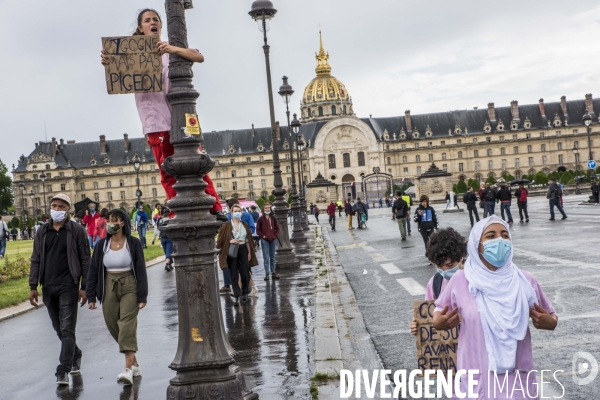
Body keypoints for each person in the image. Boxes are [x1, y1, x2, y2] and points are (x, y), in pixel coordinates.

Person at [100, 8, 226, 222]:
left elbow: (199, 56)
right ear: (141, 28)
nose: (152, 22)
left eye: (155, 19)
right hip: (156, 122)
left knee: (198, 165)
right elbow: (117, 77)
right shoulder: (130, 55)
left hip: (181, 118)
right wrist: (109, 61)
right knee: (167, 169)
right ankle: (177, 208)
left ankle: (215, 206)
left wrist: (170, 48)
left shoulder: (169, 49)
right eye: (147, 20)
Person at [433, 216, 557, 398]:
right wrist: (439, 322)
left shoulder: (525, 280)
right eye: (491, 236)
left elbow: (551, 317)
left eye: (505, 235)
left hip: (517, 380)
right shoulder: (461, 280)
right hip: (476, 376)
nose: (500, 240)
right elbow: (438, 312)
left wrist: (549, 322)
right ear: (477, 245)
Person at [28, 194, 90, 385]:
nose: (56, 209)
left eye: (61, 206)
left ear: (68, 210)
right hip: (48, 286)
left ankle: (62, 370)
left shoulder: (77, 231)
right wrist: (33, 286)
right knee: (59, 329)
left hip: (68, 285)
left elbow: (85, 260)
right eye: (54, 205)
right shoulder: (42, 231)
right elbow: (36, 258)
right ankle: (76, 353)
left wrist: (84, 286)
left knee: (67, 328)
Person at [86, 209, 148, 385]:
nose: (111, 224)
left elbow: (141, 270)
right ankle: (134, 363)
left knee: (127, 324)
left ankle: (127, 369)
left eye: (115, 220)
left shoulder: (133, 243)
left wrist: (142, 295)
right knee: (113, 324)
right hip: (109, 285)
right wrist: (91, 296)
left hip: (130, 284)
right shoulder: (101, 245)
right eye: (109, 220)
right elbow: (93, 271)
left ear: (123, 223)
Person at [409, 228, 467, 335]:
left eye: (450, 265)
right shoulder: (435, 282)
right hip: (449, 349)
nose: (445, 270)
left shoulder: (475, 280)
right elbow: (428, 313)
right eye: (439, 266)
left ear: (461, 258)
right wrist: (418, 325)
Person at [216, 204, 258, 306]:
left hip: (243, 249)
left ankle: (244, 293)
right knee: (234, 274)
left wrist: (249, 252)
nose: (237, 213)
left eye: (239, 211)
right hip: (232, 250)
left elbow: (248, 240)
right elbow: (220, 241)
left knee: (245, 273)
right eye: (235, 211)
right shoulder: (226, 226)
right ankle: (237, 296)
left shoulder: (245, 224)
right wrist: (229, 241)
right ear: (231, 213)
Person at [256, 202, 280, 281]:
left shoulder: (273, 218)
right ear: (263, 209)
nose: (267, 209)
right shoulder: (260, 219)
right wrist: (262, 236)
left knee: (272, 257)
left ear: (270, 209)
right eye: (266, 208)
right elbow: (258, 230)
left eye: (268, 208)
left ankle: (273, 272)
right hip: (264, 240)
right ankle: (267, 273)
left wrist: (275, 236)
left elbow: (277, 229)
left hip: (273, 240)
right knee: (266, 257)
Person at [413, 195, 438, 260]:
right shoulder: (418, 209)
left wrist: (436, 227)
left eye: (425, 201)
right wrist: (418, 215)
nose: (423, 203)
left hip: (430, 227)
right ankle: (429, 257)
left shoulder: (431, 209)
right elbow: (415, 219)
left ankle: (433, 255)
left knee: (433, 242)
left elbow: (435, 218)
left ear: (427, 201)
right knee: (426, 242)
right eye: (422, 202)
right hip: (422, 228)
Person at [156, 207, 173, 271]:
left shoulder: (159, 219)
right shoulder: (170, 219)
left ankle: (170, 264)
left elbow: (158, 228)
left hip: (162, 238)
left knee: (166, 251)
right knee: (169, 251)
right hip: (169, 237)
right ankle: (167, 264)